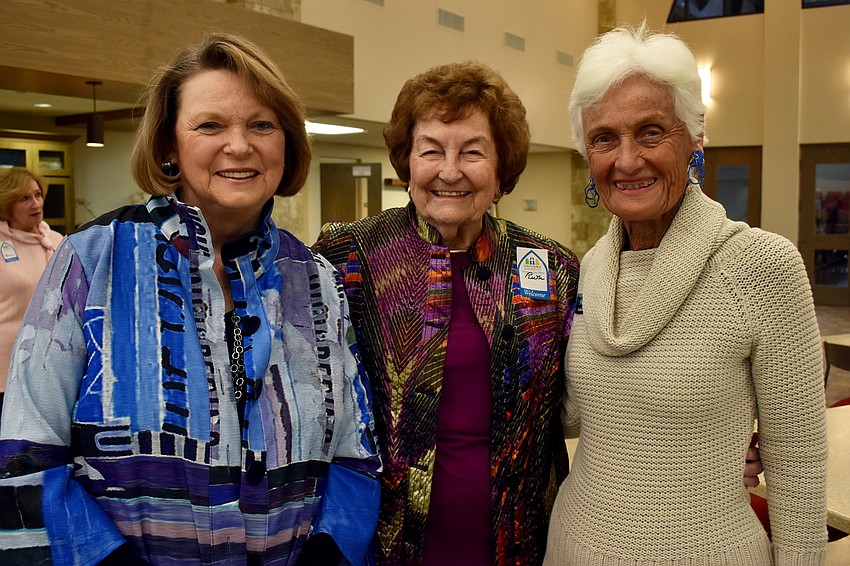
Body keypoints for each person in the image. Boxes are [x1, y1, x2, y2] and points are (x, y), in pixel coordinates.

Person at [0, 33, 380, 566]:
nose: (240, 145)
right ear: (168, 147)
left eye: (262, 124)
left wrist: (328, 556)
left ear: (287, 141)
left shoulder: (315, 279)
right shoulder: (92, 261)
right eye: (210, 125)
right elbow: (26, 456)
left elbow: (355, 452)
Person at [545, 24, 827, 565]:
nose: (627, 161)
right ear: (587, 154)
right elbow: (579, 417)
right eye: (605, 138)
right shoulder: (589, 270)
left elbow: (799, 468)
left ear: (696, 138)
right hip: (572, 547)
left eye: (651, 133)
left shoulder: (761, 267)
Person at [315, 61, 581, 566]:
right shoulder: (349, 257)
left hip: (518, 547)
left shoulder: (550, 267)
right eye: (431, 150)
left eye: (473, 151)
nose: (450, 170)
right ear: (406, 161)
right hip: (382, 546)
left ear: (501, 166)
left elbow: (602, 383)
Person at [0, 167, 63, 423]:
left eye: (37, 195)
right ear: (6, 204)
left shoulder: (57, 241)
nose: (36, 203)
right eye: (25, 198)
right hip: (4, 371)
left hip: (50, 369)